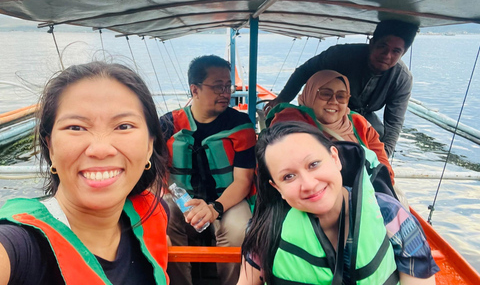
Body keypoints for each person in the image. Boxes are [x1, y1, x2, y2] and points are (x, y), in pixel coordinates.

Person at [0, 62, 171, 284]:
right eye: (76, 127)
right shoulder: (20, 246)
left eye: (123, 126)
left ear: (150, 146)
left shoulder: (154, 213)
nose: (100, 150)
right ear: (50, 147)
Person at [238, 121, 439, 285]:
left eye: (314, 164)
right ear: (277, 188)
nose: (308, 184)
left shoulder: (391, 216)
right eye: (289, 176)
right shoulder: (263, 230)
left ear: (335, 158)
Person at [160, 55, 256, 285]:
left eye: (227, 85)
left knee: (238, 230)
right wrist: (179, 201)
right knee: (165, 216)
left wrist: (215, 209)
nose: (226, 92)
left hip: (227, 198)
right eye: (217, 86)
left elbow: (243, 181)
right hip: (181, 198)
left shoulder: (240, 125)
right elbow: (156, 175)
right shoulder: (167, 125)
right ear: (195, 89)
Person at [265, 19, 419, 157]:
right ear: (372, 43)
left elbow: (394, 122)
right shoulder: (340, 55)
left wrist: (384, 158)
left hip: (362, 116)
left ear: (402, 53)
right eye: (382, 47)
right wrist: (282, 99)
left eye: (396, 51)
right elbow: (303, 72)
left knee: (376, 140)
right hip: (324, 110)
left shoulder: (402, 79)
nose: (387, 55)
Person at [267, 69, 395, 183]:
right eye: (326, 94)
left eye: (341, 96)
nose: (333, 101)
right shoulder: (290, 121)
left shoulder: (359, 124)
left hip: (365, 195)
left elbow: (384, 169)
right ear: (310, 93)